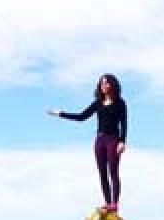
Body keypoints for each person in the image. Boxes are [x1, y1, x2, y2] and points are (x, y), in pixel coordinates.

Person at [47, 74, 128, 212]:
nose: (103, 86)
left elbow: (124, 123)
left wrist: (122, 141)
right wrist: (60, 113)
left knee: (113, 172)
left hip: (113, 139)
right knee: (102, 172)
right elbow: (81, 117)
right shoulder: (97, 103)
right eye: (101, 83)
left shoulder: (120, 103)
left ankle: (114, 203)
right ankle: (108, 203)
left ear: (112, 85)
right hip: (100, 140)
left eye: (106, 83)